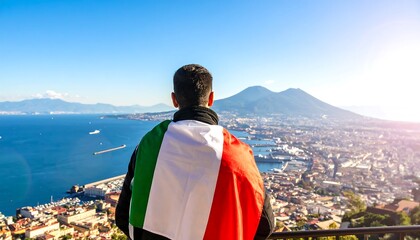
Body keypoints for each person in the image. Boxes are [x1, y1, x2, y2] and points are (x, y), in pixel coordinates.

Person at [116, 64, 274, 240]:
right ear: (211, 98)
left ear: (174, 99)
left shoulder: (148, 145)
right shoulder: (238, 155)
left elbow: (123, 217)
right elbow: (265, 225)